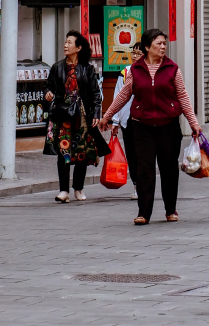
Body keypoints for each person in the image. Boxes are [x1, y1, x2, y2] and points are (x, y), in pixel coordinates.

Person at [101, 28, 201, 225]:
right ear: (147, 47)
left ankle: (170, 209)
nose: (163, 47)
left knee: (168, 168)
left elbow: (183, 96)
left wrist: (193, 123)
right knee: (144, 169)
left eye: (164, 44)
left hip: (168, 126)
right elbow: (123, 96)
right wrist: (108, 116)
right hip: (142, 127)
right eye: (158, 44)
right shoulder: (136, 70)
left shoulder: (173, 69)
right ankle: (143, 213)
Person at [43, 30, 103, 203]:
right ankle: (63, 190)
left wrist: (97, 113)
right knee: (64, 151)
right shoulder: (57, 67)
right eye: (65, 42)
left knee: (81, 152)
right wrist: (48, 93)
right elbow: (48, 87)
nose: (66, 45)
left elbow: (95, 93)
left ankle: (78, 188)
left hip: (83, 116)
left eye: (70, 42)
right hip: (63, 115)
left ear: (78, 48)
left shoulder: (87, 69)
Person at [111, 42, 142, 200]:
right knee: (132, 153)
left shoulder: (151, 72)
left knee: (143, 154)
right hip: (127, 120)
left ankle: (145, 184)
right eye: (134, 53)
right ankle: (136, 185)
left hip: (144, 120)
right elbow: (118, 96)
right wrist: (114, 121)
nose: (135, 56)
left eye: (139, 53)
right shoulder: (125, 72)